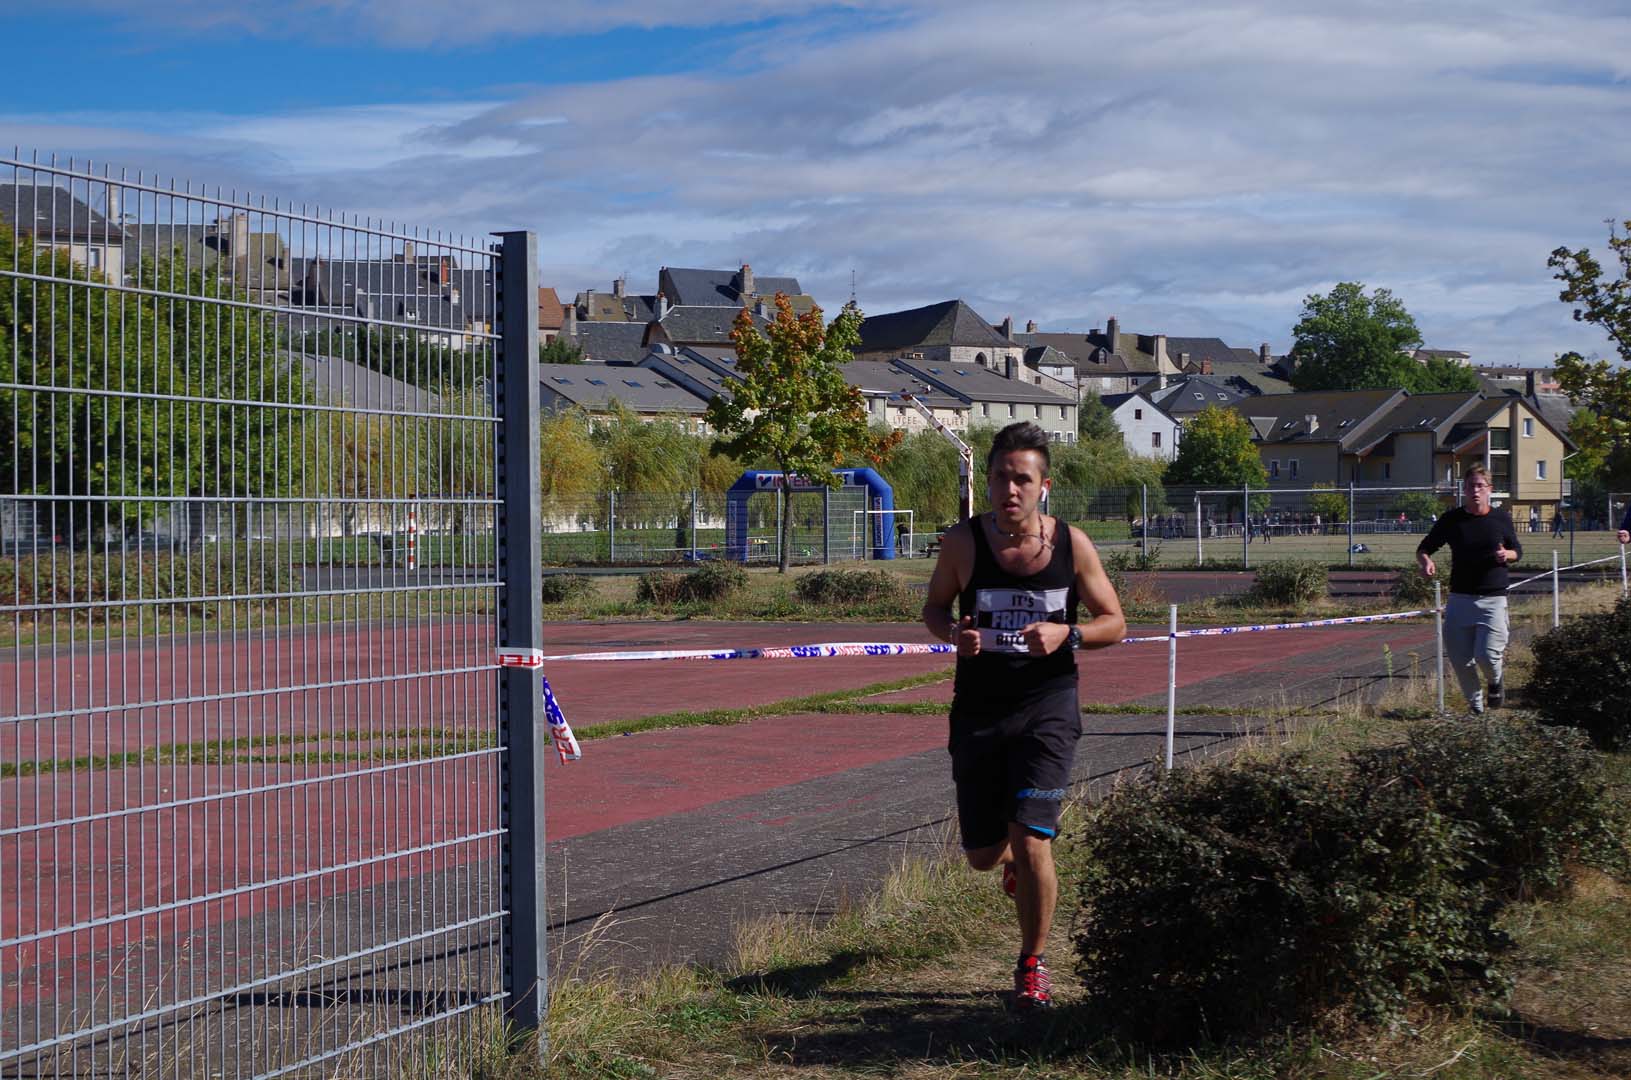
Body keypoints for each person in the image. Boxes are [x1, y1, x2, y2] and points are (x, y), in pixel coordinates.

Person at [921, 422, 1125, 1010]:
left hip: (1048, 708)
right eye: (1000, 478)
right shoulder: (963, 543)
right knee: (985, 854)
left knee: (1034, 835)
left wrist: (1072, 633)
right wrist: (952, 635)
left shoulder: (1072, 545)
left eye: (1021, 479)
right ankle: (1007, 861)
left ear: (1044, 486)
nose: (1010, 490)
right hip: (980, 711)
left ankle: (1031, 965)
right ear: (987, 482)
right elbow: (935, 608)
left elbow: (1116, 621)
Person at [1416, 465, 1521, 713]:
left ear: (1489, 490)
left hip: (1493, 599)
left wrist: (1507, 554)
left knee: (1486, 656)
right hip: (1459, 600)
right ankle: (1476, 711)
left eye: (1480, 486)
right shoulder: (1451, 520)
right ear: (1463, 490)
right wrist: (1426, 562)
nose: (1475, 491)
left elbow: (1518, 550)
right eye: (1470, 486)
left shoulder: (1501, 518)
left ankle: (1495, 682)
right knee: (1461, 661)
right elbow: (1424, 548)